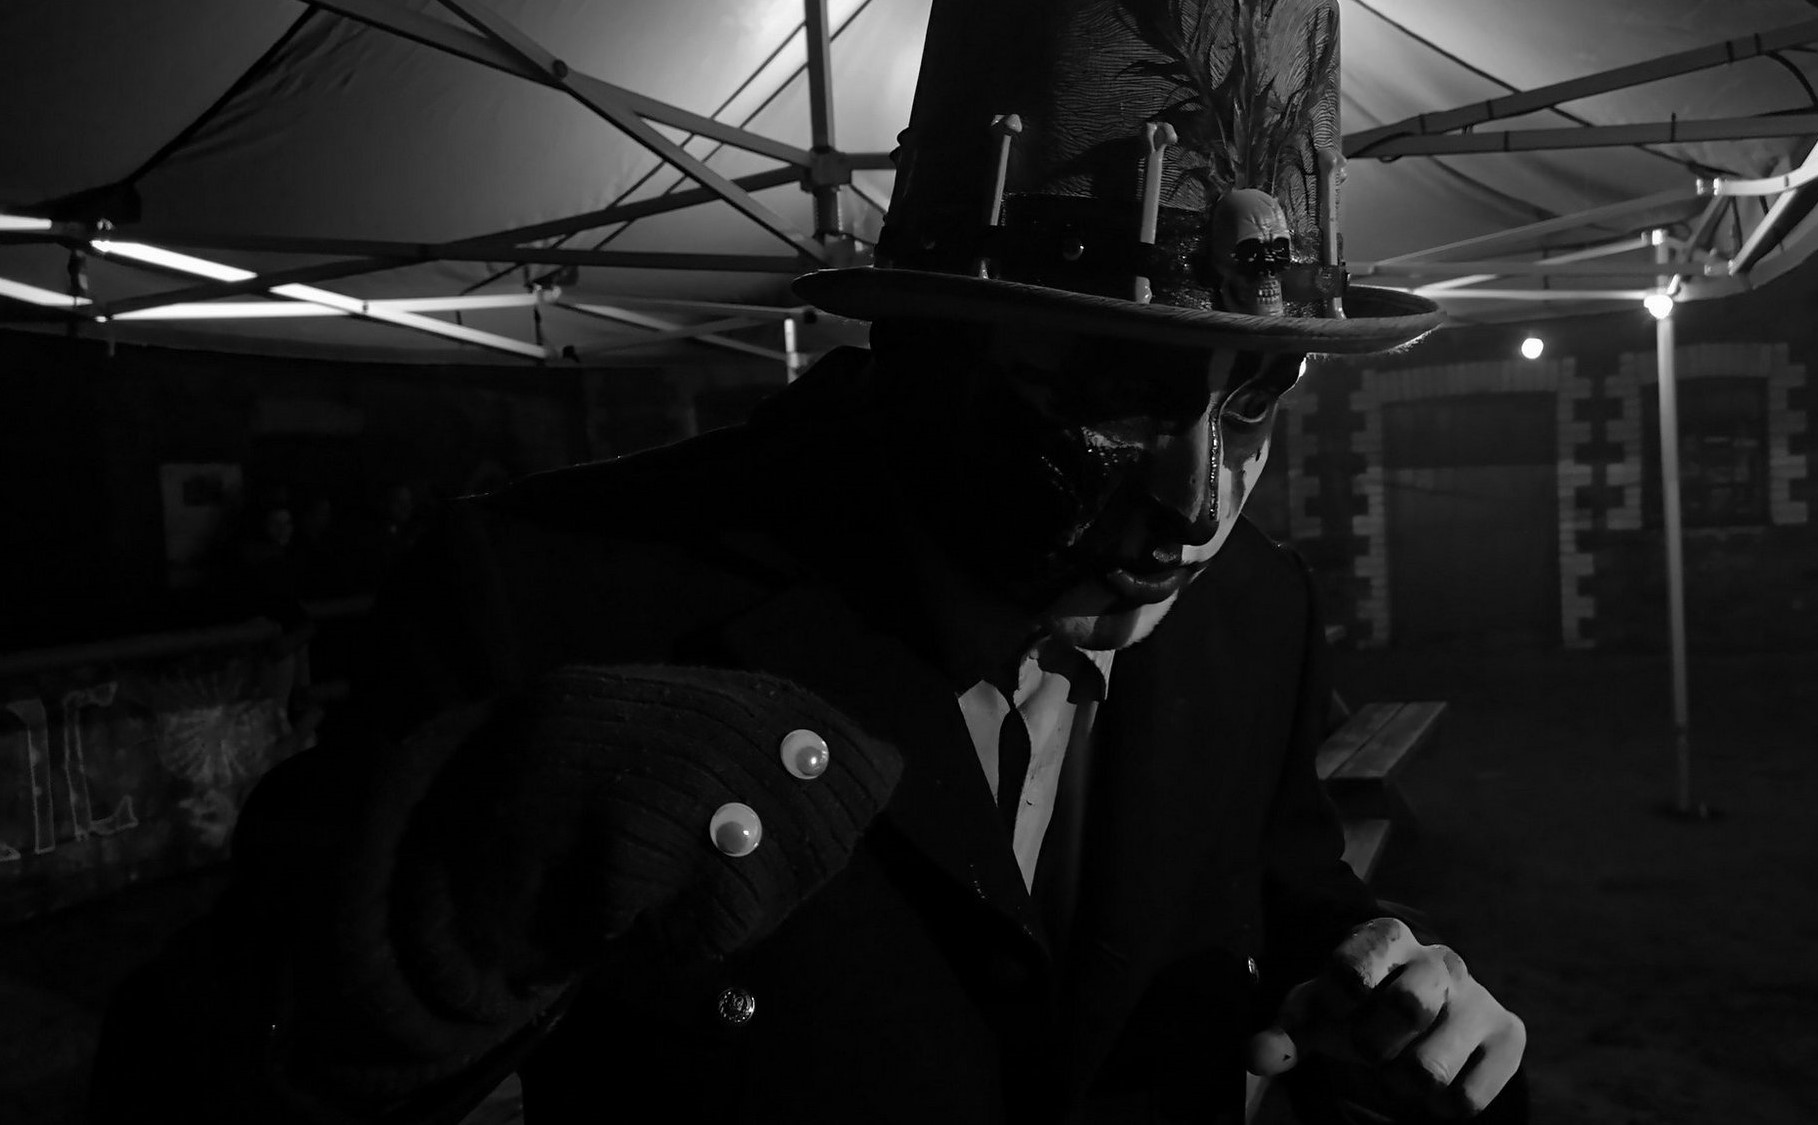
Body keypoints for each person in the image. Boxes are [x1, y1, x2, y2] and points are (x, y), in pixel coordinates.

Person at [90, 1, 1527, 1122]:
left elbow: (1285, 902)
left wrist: (1391, 1000)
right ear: (927, 339)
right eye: (1117, 391)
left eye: (1259, 397)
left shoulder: (1257, 612)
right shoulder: (552, 594)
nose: (1198, 505)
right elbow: (187, 1080)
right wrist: (452, 907)